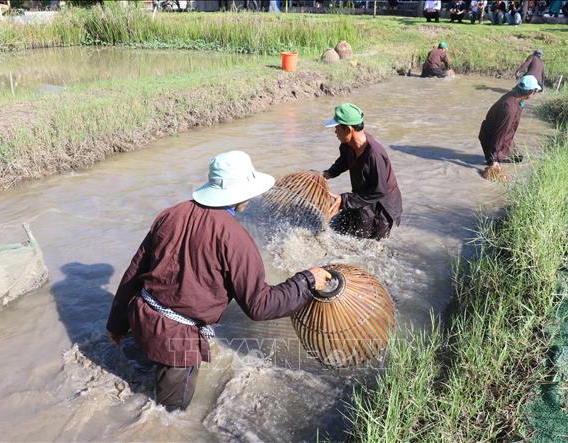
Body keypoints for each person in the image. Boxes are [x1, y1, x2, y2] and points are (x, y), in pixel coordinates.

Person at [106, 151, 332, 411]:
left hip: (141, 320)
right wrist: (306, 281)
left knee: (141, 383)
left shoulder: (171, 213)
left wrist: (116, 325)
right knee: (169, 416)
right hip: (177, 342)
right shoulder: (236, 240)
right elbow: (261, 306)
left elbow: (134, 271)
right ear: (242, 193)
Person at [322, 103, 403, 240]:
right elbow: (344, 160)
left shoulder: (374, 154)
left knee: (370, 244)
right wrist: (329, 173)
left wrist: (344, 200)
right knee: (338, 230)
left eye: (337, 128)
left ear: (348, 129)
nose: (335, 132)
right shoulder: (348, 145)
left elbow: (379, 190)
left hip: (382, 205)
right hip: (362, 197)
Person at [478, 75, 542, 179]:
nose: (535, 93)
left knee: (518, 158)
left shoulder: (516, 97)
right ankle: (493, 161)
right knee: (495, 165)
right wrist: (494, 159)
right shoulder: (509, 108)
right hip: (492, 138)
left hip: (506, 137)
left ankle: (496, 159)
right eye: (535, 91)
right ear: (531, 92)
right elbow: (499, 134)